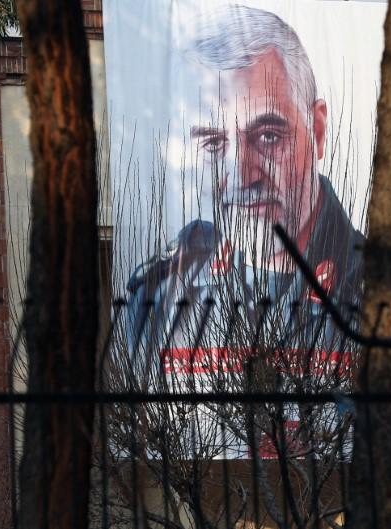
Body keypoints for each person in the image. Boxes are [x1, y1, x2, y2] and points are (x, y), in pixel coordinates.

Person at [124, 4, 364, 387]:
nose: (240, 175)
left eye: (268, 136)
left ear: (317, 131)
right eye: (214, 143)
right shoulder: (160, 296)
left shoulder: (375, 288)